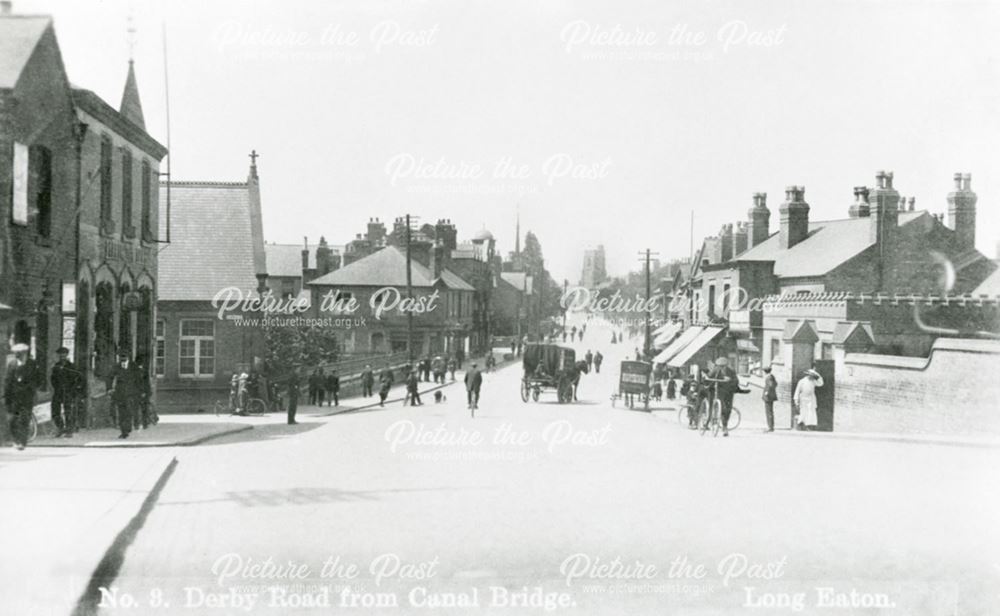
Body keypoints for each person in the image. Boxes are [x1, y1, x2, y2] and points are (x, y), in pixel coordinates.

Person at [4, 343, 40, 450]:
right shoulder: (12, 364)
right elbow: (7, 381)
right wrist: (5, 396)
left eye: (20, 353)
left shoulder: (32, 364)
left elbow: (38, 380)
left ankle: (22, 443)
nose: (18, 355)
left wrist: (31, 389)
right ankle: (15, 440)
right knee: (12, 420)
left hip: (27, 397)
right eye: (16, 353)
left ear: (25, 353)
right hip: (14, 397)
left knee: (24, 419)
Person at [109, 352, 143, 439]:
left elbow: (139, 380)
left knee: (129, 411)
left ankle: (128, 428)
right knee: (121, 413)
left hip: (131, 394)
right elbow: (110, 377)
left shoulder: (134, 367)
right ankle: (124, 431)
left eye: (124, 357)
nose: (123, 359)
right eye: (121, 357)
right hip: (120, 394)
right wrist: (109, 388)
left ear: (128, 357)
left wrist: (140, 391)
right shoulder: (116, 367)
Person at [50, 346, 82, 438]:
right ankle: (60, 428)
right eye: (60, 354)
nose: (62, 356)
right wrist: (56, 387)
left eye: (64, 354)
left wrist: (74, 389)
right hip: (58, 391)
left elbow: (79, 379)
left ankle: (69, 430)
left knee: (68, 411)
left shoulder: (72, 366)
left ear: (67, 355)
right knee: (55, 410)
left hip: (69, 392)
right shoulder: (56, 366)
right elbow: (53, 379)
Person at [706, 357, 740, 437]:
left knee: (728, 409)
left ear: (726, 365)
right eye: (720, 366)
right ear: (717, 366)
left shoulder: (731, 371)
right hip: (719, 392)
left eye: (723, 366)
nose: (721, 368)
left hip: (729, 392)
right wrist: (707, 378)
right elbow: (708, 377)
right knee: (722, 408)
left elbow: (736, 381)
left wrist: (730, 380)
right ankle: (711, 421)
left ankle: (725, 426)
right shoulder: (715, 370)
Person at [133, 355, 153, 429]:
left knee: (137, 409)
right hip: (141, 392)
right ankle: (143, 423)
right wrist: (147, 391)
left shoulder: (134, 371)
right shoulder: (143, 371)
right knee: (143, 409)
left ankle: (138, 424)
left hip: (138, 392)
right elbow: (146, 383)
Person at [762, 366, 778, 432]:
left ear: (765, 371)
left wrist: (767, 392)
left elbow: (770, 385)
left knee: (768, 412)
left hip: (768, 397)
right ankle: (771, 426)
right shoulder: (772, 376)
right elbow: (776, 384)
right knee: (770, 411)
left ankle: (770, 427)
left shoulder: (769, 377)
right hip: (771, 396)